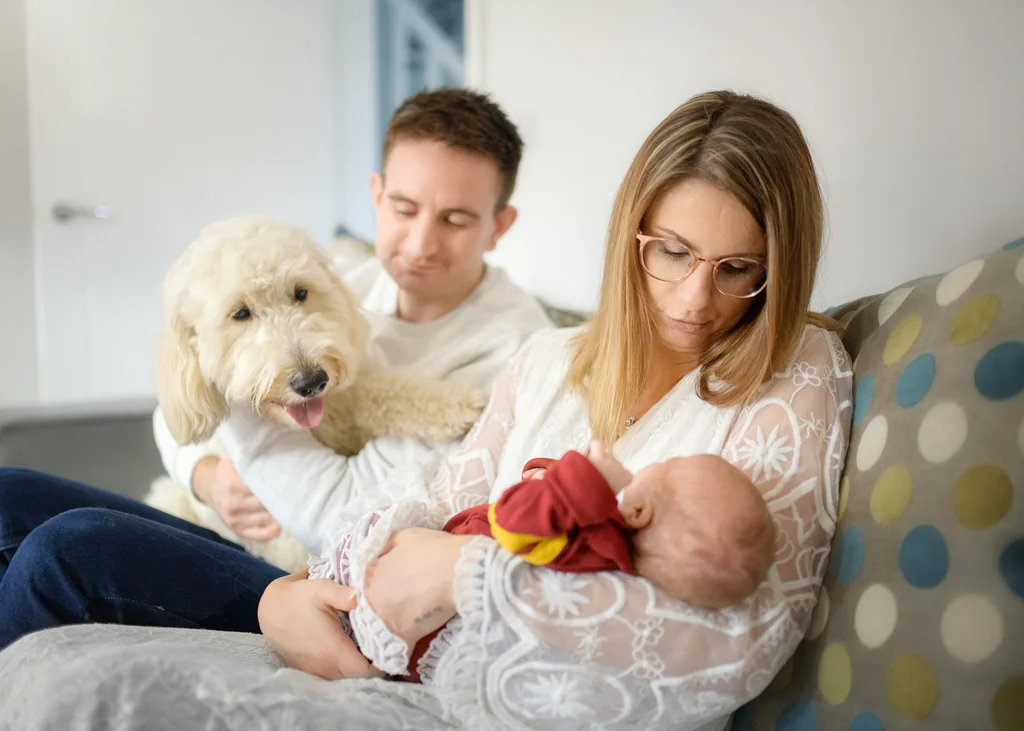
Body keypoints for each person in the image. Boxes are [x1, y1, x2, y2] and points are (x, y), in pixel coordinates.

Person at [0, 89, 853, 731]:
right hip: (351, 594)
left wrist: (464, 572)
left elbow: (743, 634)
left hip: (438, 662)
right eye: (671, 252)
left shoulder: (798, 369)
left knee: (64, 552)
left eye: (740, 266)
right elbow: (429, 492)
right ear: (632, 233)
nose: (696, 298)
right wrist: (295, 590)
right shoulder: (545, 358)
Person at [0, 88, 551, 649]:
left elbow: (339, 517)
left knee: (64, 550)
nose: (420, 244)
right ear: (377, 195)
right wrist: (205, 475)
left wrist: (244, 427)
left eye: (455, 219)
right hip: (226, 522)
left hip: (312, 581)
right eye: (404, 209)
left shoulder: (513, 353)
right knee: (7, 494)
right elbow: (178, 414)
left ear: (500, 223)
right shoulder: (350, 282)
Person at [307, 441, 777, 683]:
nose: (653, 463)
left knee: (362, 536)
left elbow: (513, 526)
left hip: (397, 618)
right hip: (417, 596)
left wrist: (585, 478)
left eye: (668, 465)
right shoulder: (604, 557)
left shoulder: (597, 544)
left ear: (639, 512)